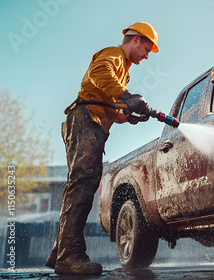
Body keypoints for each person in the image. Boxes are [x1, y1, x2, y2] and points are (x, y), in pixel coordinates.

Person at [45, 22, 160, 275]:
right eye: (147, 48)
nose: (147, 55)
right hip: (85, 120)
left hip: (91, 123)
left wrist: (125, 117)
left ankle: (60, 251)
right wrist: (126, 95)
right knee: (83, 184)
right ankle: (70, 256)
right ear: (136, 40)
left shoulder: (124, 71)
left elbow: (108, 104)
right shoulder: (114, 55)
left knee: (81, 184)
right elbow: (99, 73)